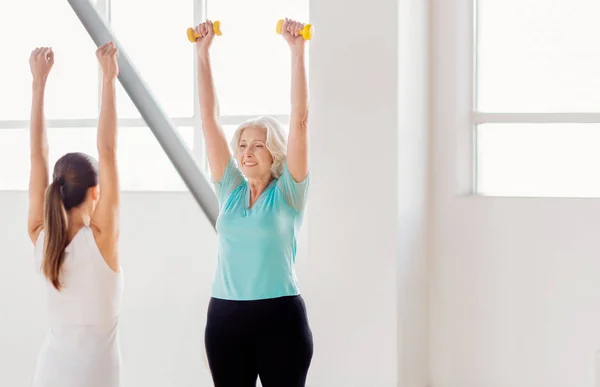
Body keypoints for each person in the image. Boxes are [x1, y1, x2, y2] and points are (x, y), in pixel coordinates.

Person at [194, 17, 313, 387]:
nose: (246, 153)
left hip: (280, 318)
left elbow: (300, 120)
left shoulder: (289, 191)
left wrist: (297, 52)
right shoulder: (230, 189)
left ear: (273, 152)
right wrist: (202, 54)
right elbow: (210, 122)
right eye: (242, 145)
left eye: (257, 145)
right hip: (225, 318)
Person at [27, 42, 123, 387]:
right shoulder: (101, 240)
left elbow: (38, 157)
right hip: (95, 377)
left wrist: (38, 84)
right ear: (95, 193)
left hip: (49, 372)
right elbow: (108, 151)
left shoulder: (41, 237)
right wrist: (109, 79)